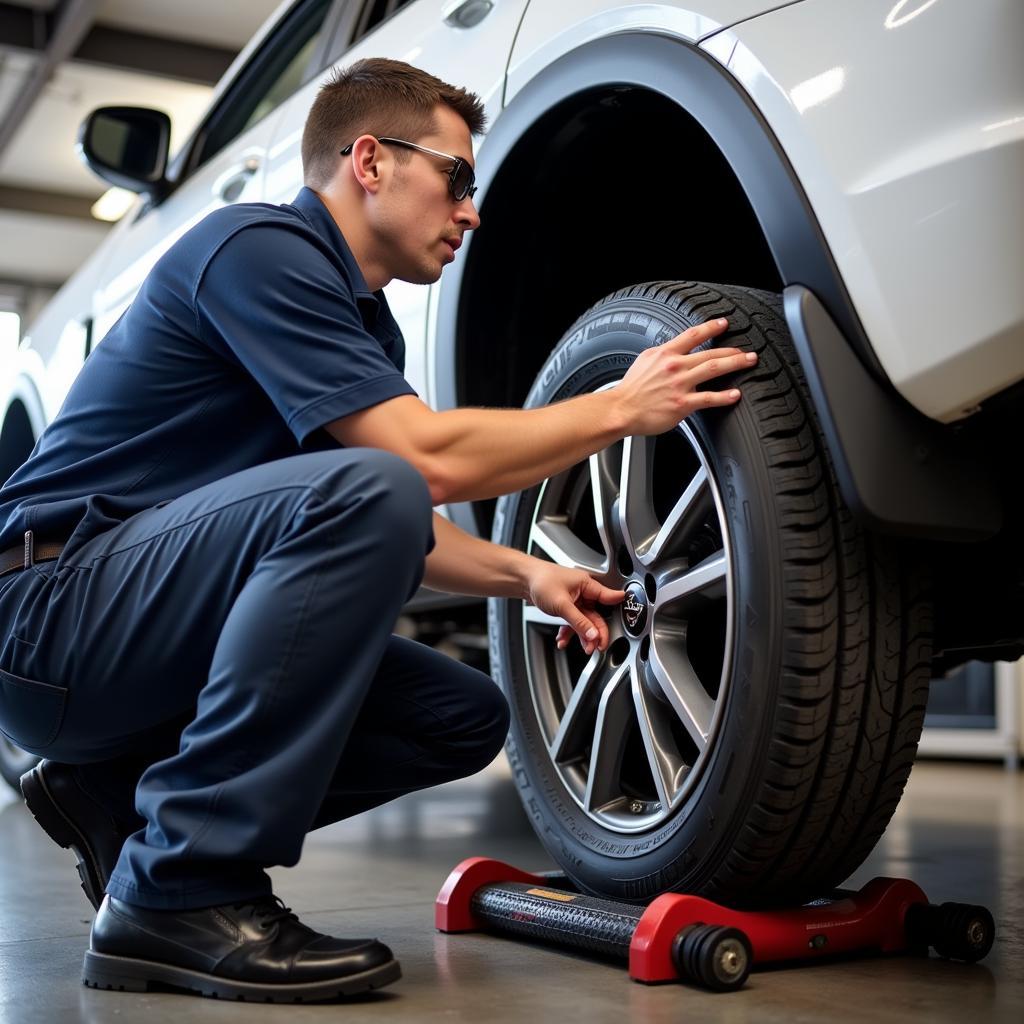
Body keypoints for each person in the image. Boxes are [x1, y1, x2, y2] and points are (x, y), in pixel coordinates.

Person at [0, 58, 755, 1002]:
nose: (472, 211)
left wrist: (530, 577)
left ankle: (117, 798)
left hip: (137, 634)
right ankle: (180, 885)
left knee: (463, 717)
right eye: (457, 178)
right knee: (376, 484)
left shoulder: (360, 329)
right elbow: (407, 472)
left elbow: (391, 518)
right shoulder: (256, 248)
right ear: (370, 160)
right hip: (48, 615)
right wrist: (616, 407)